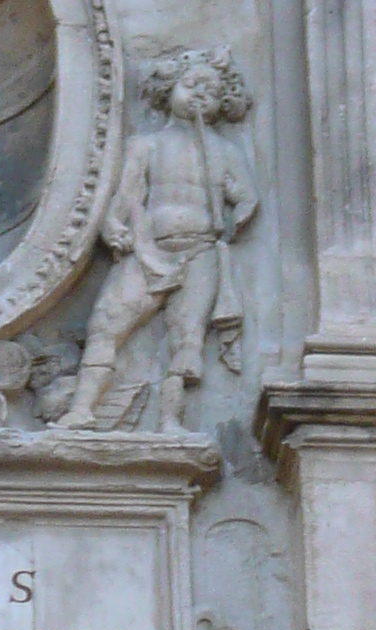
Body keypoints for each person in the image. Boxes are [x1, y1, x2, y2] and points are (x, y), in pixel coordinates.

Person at [59, 46, 258, 432]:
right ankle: (82, 409)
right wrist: (112, 227)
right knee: (106, 323)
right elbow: (126, 195)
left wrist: (238, 197)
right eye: (192, 85)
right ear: (171, 90)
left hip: (199, 250)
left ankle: (170, 419)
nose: (201, 95)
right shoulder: (145, 145)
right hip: (149, 250)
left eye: (211, 91)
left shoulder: (226, 151)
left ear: (222, 103)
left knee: (187, 338)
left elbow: (248, 201)